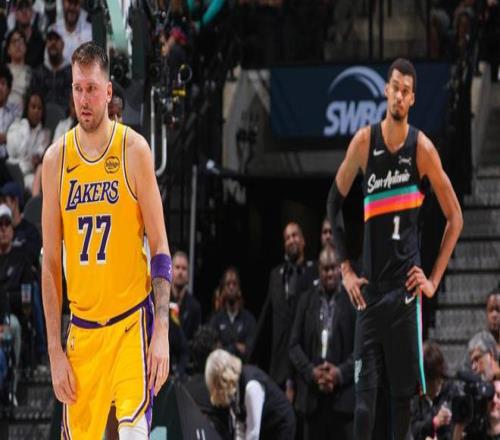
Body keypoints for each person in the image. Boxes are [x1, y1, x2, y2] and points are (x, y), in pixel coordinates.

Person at [327, 58, 463, 440]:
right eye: (395, 88)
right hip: (369, 293)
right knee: (363, 406)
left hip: (405, 295)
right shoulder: (363, 142)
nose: (399, 96)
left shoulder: (422, 149)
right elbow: (333, 203)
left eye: (406, 91)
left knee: (403, 403)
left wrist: (432, 280)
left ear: (413, 98)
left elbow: (455, 218)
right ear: (385, 90)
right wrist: (346, 269)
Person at [41, 42, 171, 439]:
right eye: (78, 89)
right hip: (83, 333)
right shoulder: (56, 161)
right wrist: (54, 351)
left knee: (133, 434)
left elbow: (160, 249)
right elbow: (50, 264)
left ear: (109, 91)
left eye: (92, 89)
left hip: (131, 323)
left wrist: (162, 331)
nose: (84, 99)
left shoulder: (134, 150)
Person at [289, 245, 356, 440]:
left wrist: (340, 373)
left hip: (344, 402)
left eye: (334, 268)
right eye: (326, 269)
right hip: (312, 400)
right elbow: (293, 346)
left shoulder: (352, 300)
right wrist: (311, 372)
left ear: (340, 269)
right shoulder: (305, 300)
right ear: (319, 270)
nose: (330, 274)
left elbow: (362, 350)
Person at [252, 221, 316, 401]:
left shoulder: (314, 272)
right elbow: (266, 317)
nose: (291, 240)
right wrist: (249, 358)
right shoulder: (276, 275)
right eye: (287, 238)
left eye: (295, 235)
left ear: (303, 241)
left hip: (305, 364)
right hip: (279, 365)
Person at [205, 348, 296, 440]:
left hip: (280, 425)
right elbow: (239, 422)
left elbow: (253, 433)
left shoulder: (252, 387)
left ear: (223, 380)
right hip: (264, 424)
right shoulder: (233, 388)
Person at [6, 90, 51, 190]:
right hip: (11, 170)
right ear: (27, 108)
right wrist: (26, 128)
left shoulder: (45, 134)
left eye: (39, 108)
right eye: (33, 107)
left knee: (34, 183)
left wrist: (37, 159)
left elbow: (38, 156)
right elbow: (13, 152)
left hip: (29, 175)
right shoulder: (16, 126)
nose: (36, 111)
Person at [209, 266, 256, 361]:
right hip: (221, 367)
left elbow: (249, 350)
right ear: (223, 289)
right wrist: (236, 347)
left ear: (239, 288)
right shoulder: (216, 320)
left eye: (234, 284)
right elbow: (213, 350)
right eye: (228, 284)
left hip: (243, 367)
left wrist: (224, 348)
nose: (231, 287)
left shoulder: (249, 320)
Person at [411, 341, 455, 440]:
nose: (423, 387)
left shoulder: (452, 393)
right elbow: (413, 429)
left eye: (427, 382)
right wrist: (434, 422)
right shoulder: (418, 397)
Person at [0, 180, 41, 268]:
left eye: (4, 201)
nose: (1, 205)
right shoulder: (2, 232)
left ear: (15, 201)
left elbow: (31, 259)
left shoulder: (30, 232)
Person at [171, 250, 201, 342]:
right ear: (171, 270)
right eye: (177, 267)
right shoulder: (160, 302)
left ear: (188, 273)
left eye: (184, 268)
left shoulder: (195, 307)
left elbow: (195, 341)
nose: (180, 272)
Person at [52, 0, 92, 65]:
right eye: (69, 3)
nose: (72, 8)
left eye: (76, 3)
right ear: (63, 3)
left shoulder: (90, 32)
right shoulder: (53, 30)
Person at [4, 29, 32, 113]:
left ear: (25, 48)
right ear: (8, 50)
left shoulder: (31, 73)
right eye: (14, 42)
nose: (18, 45)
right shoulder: (2, 70)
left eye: (20, 41)